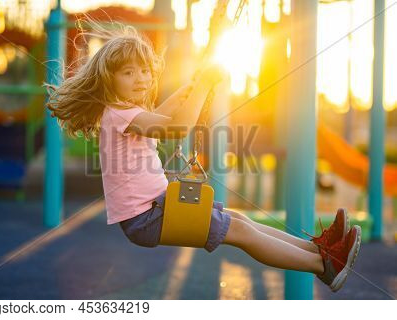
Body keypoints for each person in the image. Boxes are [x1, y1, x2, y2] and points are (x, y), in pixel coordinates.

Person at [46, 24, 361, 293]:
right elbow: (175, 126)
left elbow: (162, 114)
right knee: (242, 233)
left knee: (240, 221)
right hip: (147, 218)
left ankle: (318, 250)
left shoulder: (126, 112)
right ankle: (324, 265)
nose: (141, 78)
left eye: (144, 70)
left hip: (157, 207)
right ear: (109, 79)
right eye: (129, 73)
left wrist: (193, 85)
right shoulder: (118, 113)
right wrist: (205, 86)